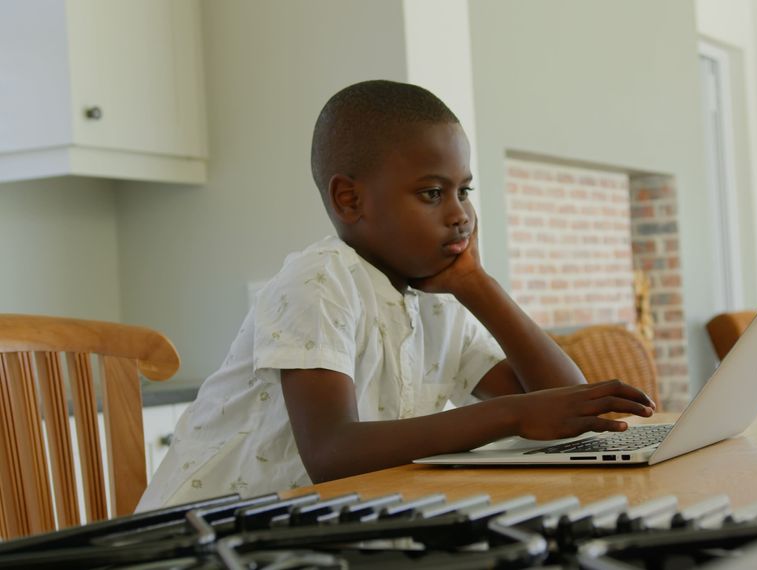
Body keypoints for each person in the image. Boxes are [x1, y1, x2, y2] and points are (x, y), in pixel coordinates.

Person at [137, 80, 655, 510]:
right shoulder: (319, 282)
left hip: (318, 528)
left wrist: (480, 286)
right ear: (350, 199)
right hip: (204, 535)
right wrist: (514, 415)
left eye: (464, 191)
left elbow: (563, 407)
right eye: (433, 193)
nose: (460, 214)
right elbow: (332, 452)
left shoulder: (438, 300)